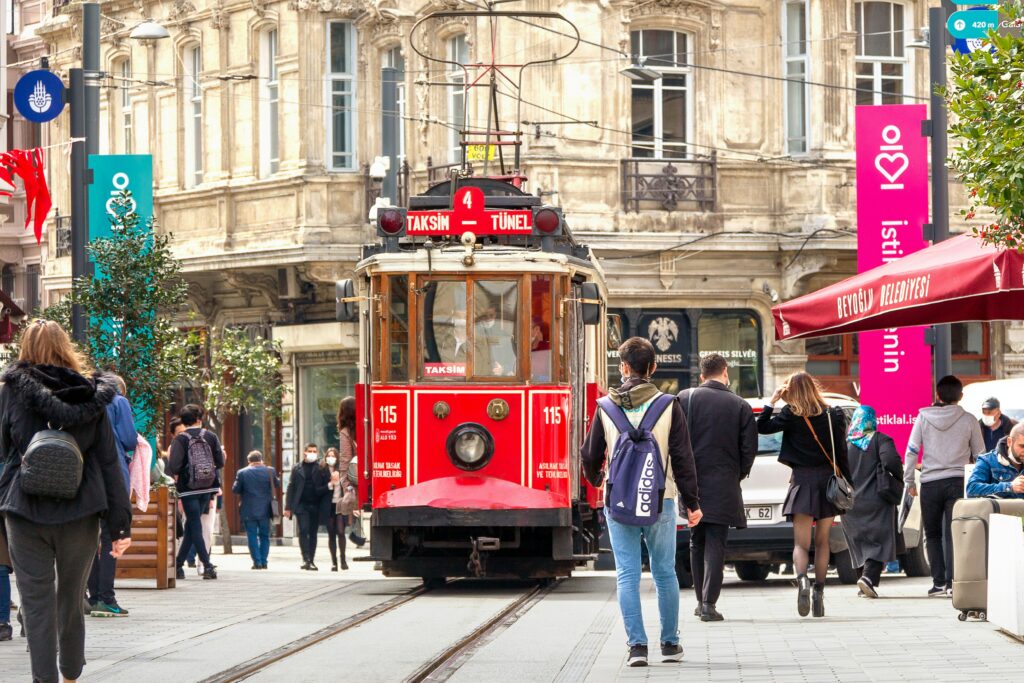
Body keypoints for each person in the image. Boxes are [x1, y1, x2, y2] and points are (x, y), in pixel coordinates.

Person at [0, 319, 132, 683]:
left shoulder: (10, 392)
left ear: (25, 348)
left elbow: (3, 452)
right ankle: (71, 674)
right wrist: (120, 524)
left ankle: (45, 680)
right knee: (71, 600)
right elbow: (109, 461)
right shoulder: (93, 395)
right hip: (81, 511)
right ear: (67, 347)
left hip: (24, 512)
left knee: (35, 603)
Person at [582, 337, 702, 667]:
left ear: (622, 367)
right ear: (653, 368)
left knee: (627, 575)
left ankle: (637, 647)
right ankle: (670, 643)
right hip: (660, 499)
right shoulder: (668, 404)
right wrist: (692, 503)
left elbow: (590, 454)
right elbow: (683, 457)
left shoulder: (605, 407)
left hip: (618, 500)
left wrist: (598, 482)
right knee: (665, 573)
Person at [757, 371, 849, 618]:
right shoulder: (833, 414)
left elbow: (761, 427)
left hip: (802, 482)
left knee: (800, 543)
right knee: (822, 542)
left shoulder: (791, 415)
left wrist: (773, 400)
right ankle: (819, 592)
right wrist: (849, 482)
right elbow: (841, 451)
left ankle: (802, 580)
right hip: (828, 484)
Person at [677, 353, 756, 622]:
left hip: (691, 484)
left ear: (701, 375)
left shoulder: (684, 399)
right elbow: (749, 451)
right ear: (725, 372)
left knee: (695, 542)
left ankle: (700, 601)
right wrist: (737, 474)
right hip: (724, 484)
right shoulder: (740, 405)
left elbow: (674, 444)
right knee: (716, 544)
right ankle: (710, 603)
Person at [905, 375, 985, 597]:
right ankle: (953, 583)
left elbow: (911, 451)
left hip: (930, 482)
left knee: (932, 534)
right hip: (958, 482)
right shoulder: (969, 420)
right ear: (960, 396)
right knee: (955, 532)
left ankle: (938, 583)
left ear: (937, 395)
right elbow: (981, 454)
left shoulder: (922, 418)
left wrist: (909, 480)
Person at [86, 374, 137, 618]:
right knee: (110, 537)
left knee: (86, 537)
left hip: (83, 477)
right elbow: (128, 439)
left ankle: (92, 595)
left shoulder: (83, 400)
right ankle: (106, 598)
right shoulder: (119, 402)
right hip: (110, 475)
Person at [842, 406, 903, 599]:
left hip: (849, 503)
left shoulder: (845, 444)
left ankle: (863, 584)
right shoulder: (880, 439)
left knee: (858, 542)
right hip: (877, 499)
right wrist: (899, 478)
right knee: (880, 540)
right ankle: (867, 578)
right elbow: (892, 462)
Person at [168, 404, 224, 580]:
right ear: (199, 419)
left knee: (194, 524)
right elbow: (220, 462)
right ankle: (178, 565)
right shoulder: (211, 436)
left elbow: (174, 465)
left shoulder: (181, 439)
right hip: (208, 486)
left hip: (188, 488)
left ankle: (206, 566)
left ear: (183, 421)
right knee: (193, 525)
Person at [232, 450, 280, 570]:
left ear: (249, 461)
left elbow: (235, 490)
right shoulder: (270, 470)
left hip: (249, 509)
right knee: (264, 536)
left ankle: (257, 562)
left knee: (252, 536)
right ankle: (264, 561)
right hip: (266, 509)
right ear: (261, 459)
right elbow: (277, 485)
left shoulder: (242, 472)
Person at [285, 443, 330, 570]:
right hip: (301, 505)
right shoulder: (297, 468)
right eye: (310, 451)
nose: (312, 453)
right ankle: (306, 559)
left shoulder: (321, 467)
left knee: (313, 533)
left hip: (316, 504)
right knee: (303, 530)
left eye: (314, 451)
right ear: (304, 452)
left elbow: (327, 485)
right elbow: (291, 487)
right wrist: (288, 507)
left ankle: (312, 559)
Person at [967, 423, 1024, 499]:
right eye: (1022, 446)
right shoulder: (987, 460)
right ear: (1009, 442)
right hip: (998, 510)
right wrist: (1009, 487)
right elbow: (972, 489)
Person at [323, 447, 343, 571]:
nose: (331, 458)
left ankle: (343, 559)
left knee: (341, 532)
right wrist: (331, 483)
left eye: (333, 455)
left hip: (340, 504)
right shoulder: (322, 471)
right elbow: (318, 489)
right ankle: (334, 562)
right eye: (329, 455)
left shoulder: (342, 470)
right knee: (331, 534)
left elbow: (347, 486)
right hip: (329, 505)